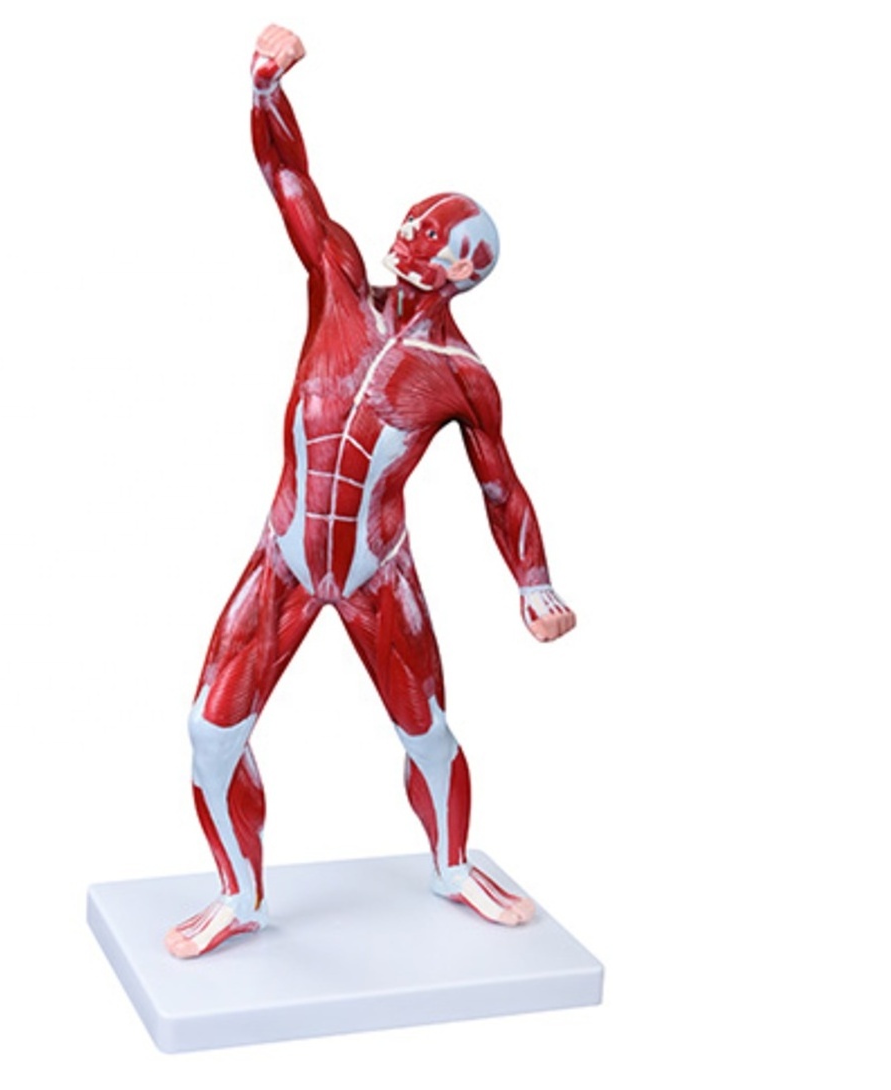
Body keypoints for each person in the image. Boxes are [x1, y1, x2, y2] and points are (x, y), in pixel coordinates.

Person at [166, 25, 576, 959]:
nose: (407, 232)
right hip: (285, 559)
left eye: (430, 232)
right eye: (413, 220)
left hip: (374, 574)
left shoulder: (463, 377)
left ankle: (452, 865)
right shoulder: (340, 286)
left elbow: (502, 488)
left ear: (466, 266)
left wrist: (535, 583)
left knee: (427, 736)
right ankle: (239, 893)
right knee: (209, 733)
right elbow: (288, 178)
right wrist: (266, 91)